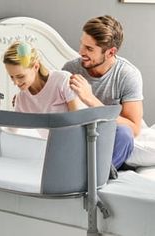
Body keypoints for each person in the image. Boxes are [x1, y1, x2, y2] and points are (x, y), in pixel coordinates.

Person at [62, 15, 143, 170]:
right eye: (82, 45)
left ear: (110, 52)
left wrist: (91, 100)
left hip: (111, 136)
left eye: (89, 49)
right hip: (78, 133)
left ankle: (99, 173)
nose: (81, 52)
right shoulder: (71, 69)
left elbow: (134, 128)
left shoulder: (127, 75)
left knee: (125, 134)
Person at [3, 41, 84, 114]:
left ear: (36, 67)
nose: (15, 83)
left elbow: (77, 121)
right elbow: (15, 130)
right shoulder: (21, 99)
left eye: (20, 76)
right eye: (12, 77)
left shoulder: (63, 81)